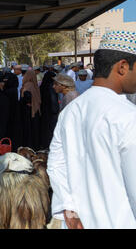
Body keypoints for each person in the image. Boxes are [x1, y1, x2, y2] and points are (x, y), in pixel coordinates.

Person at [47, 32, 136, 229]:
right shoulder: (128, 116)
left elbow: (56, 165)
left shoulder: (71, 111)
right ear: (122, 67)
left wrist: (68, 209)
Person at [20, 70, 41, 151]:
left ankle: (29, 146)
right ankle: (36, 145)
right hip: (36, 110)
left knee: (29, 129)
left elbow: (27, 98)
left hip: (28, 111)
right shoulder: (35, 85)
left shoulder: (27, 85)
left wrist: (26, 102)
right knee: (34, 129)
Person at [39, 70, 60, 150]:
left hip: (44, 110)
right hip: (51, 112)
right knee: (51, 129)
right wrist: (56, 110)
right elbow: (53, 100)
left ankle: (45, 144)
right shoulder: (51, 87)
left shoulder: (42, 86)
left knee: (45, 128)